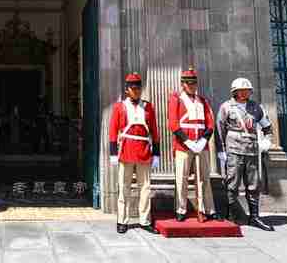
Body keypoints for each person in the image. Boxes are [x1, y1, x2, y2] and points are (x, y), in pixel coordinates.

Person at [216, 78, 274, 231]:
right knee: (232, 184)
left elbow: (267, 127)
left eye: (248, 90)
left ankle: (254, 217)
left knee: (254, 185)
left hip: (252, 151)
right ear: (235, 92)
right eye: (242, 90)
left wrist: (267, 142)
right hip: (234, 150)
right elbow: (220, 130)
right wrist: (221, 150)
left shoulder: (256, 107)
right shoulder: (226, 107)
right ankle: (231, 215)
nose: (246, 93)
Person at [109, 72, 161, 234]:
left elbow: (154, 130)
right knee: (124, 187)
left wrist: (157, 153)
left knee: (145, 187)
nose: (136, 90)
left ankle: (145, 220)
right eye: (133, 88)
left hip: (144, 150)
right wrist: (113, 153)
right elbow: (112, 130)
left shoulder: (148, 107)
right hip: (126, 150)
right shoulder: (119, 107)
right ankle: (122, 220)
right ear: (127, 90)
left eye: (138, 88)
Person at [168, 67, 222, 222]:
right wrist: (188, 142)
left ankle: (209, 209)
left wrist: (203, 140)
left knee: (204, 178)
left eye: (194, 83)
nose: (192, 86)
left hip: (201, 145)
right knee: (182, 178)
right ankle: (181, 209)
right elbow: (173, 124)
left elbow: (210, 124)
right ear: (183, 84)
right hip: (184, 145)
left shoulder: (203, 101)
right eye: (188, 83)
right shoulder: (176, 99)